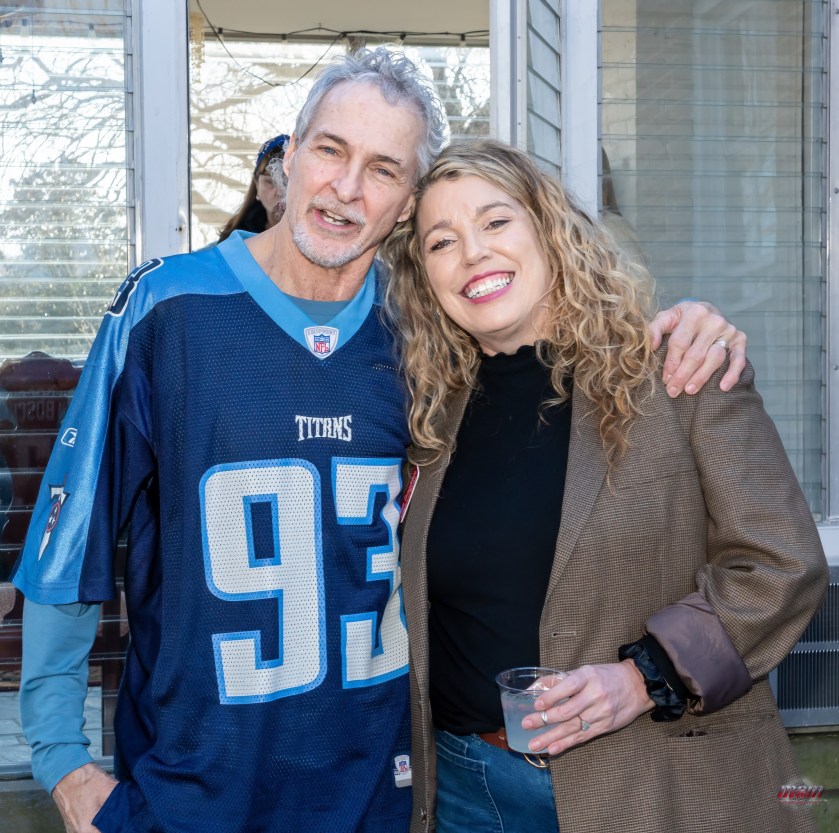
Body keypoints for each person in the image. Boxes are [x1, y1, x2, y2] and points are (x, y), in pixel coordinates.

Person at [12, 49, 745, 833]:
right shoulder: (166, 307)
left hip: (384, 791)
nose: (346, 187)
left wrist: (678, 330)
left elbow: (558, 344)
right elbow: (70, 543)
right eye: (330, 150)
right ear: (289, 157)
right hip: (196, 788)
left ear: (406, 205)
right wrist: (62, 759)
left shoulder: (430, 333)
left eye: (383, 169)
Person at [383, 138, 829, 833]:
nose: (472, 253)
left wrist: (645, 676)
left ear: (549, 229)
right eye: (442, 241)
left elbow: (781, 565)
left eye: (495, 221)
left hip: (655, 787)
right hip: (469, 792)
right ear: (424, 276)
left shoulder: (678, 372)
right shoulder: (426, 417)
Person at [217, 133, 289, 242]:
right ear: (256, 184)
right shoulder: (235, 240)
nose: (280, 192)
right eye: (270, 182)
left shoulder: (314, 237)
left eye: (287, 181)